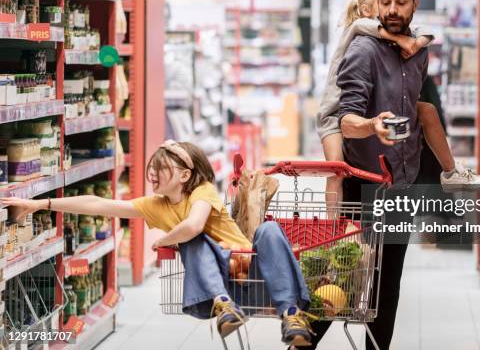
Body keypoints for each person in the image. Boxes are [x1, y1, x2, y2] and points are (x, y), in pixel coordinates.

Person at [1, 140, 314, 347]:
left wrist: (164, 239)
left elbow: (192, 225)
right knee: (189, 240)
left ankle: (291, 316)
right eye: (153, 167)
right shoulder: (157, 205)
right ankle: (224, 305)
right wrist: (41, 206)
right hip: (223, 288)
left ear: (184, 174)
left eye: (161, 167)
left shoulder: (202, 191)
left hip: (262, 280)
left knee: (267, 231)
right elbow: (98, 204)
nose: (152, 173)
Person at [316, 0, 480, 204]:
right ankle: (332, 233)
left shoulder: (389, 36)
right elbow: (374, 29)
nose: (393, 9)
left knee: (427, 110)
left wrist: (419, 42)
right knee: (336, 171)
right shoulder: (359, 29)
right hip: (334, 115)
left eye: (399, 1)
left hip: (371, 107)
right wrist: (402, 39)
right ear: (368, 10)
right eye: (384, 2)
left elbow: (424, 32)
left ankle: (451, 171)